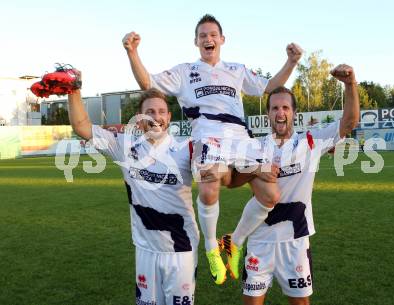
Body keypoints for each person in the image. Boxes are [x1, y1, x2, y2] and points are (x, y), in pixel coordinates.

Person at [122, 14, 303, 284]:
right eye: (203, 35)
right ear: (196, 42)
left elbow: (270, 87)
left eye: (212, 34)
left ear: (222, 40)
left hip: (241, 139)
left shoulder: (236, 69)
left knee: (271, 193)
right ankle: (210, 247)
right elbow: (147, 83)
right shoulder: (185, 72)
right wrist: (132, 52)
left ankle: (234, 241)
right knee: (208, 186)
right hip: (208, 138)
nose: (208, 39)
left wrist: (291, 62)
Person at [229, 65, 359, 305]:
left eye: (285, 107)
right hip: (260, 241)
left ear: (294, 113)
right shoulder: (254, 147)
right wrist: (256, 170)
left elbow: (349, 122)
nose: (280, 112)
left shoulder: (309, 141)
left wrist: (350, 85)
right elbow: (231, 182)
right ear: (267, 114)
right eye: (275, 107)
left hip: (295, 242)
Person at [67, 81, 199, 305]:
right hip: (145, 249)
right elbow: (82, 126)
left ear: (169, 117)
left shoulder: (187, 149)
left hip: (181, 250)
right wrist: (74, 90)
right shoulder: (125, 146)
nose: (156, 117)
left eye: (161, 112)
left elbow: (221, 181)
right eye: (149, 112)